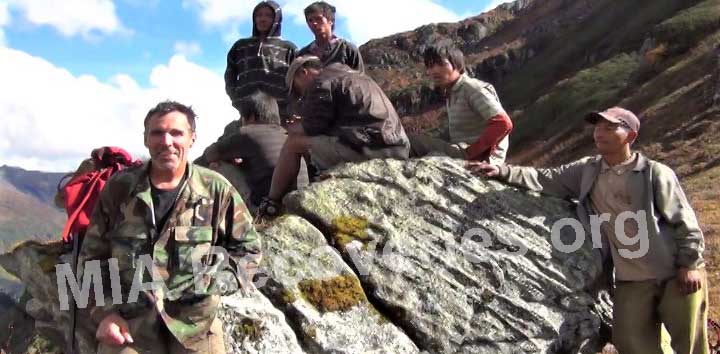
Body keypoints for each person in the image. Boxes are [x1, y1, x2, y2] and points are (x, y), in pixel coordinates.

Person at [468, 107, 709, 354]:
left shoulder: (654, 173)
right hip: (631, 278)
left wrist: (690, 264)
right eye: (597, 127)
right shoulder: (588, 170)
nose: (600, 133)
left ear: (631, 136)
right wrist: (503, 171)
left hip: (673, 273)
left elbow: (684, 220)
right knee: (629, 342)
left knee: (690, 344)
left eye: (610, 127)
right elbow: (546, 178)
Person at [78, 101, 262, 354]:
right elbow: (91, 258)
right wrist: (105, 315)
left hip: (196, 329)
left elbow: (249, 250)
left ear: (192, 138)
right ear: (145, 139)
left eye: (176, 133)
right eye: (157, 133)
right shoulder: (119, 190)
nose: (166, 141)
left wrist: (209, 284)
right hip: (131, 329)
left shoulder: (215, 189)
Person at [257, 55, 409, 217]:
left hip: (372, 149)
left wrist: (293, 126)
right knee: (311, 142)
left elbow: (314, 128)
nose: (300, 95)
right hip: (398, 146)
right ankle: (313, 185)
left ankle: (271, 204)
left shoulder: (320, 82)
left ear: (304, 72)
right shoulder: (356, 76)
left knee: (293, 143)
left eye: (296, 88)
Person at [198, 92, 309, 212]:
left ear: (251, 117)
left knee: (216, 165)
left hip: (267, 208)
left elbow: (210, 154)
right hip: (299, 205)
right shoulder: (286, 134)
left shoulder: (248, 133)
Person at [410, 44, 513, 164]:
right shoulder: (452, 91)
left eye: (441, 64)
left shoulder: (472, 88)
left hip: (479, 156)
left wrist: (474, 152)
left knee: (411, 141)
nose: (434, 70)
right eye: (430, 65)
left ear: (457, 65)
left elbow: (503, 123)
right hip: (466, 151)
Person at [224, 1, 296, 122]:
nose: (262, 19)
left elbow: (297, 82)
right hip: (247, 115)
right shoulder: (240, 46)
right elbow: (229, 75)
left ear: (277, 19)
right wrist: (236, 99)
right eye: (259, 15)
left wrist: (288, 106)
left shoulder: (288, 48)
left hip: (280, 116)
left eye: (268, 15)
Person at [297, 1, 364, 72]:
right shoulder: (303, 54)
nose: (314, 23)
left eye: (318, 19)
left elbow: (360, 80)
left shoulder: (347, 49)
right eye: (310, 20)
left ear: (330, 20)